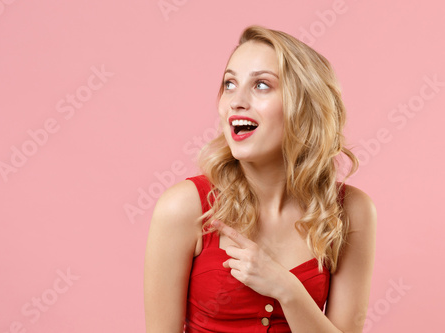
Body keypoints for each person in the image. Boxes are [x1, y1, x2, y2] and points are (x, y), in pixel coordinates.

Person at [144, 25, 377, 333]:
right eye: (229, 84)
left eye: (262, 86)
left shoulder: (352, 211)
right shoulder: (184, 207)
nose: (236, 101)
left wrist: (287, 290)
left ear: (304, 106)